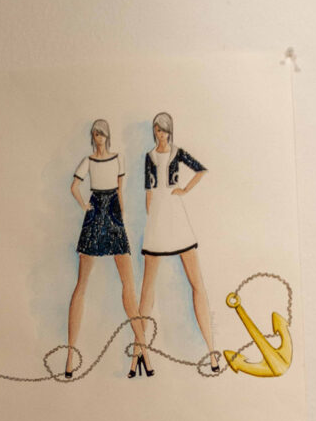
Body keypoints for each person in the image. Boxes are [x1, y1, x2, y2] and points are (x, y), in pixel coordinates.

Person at [67, 119, 151, 378]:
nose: (99, 138)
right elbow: (74, 187)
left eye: (102, 134)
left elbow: (120, 191)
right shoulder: (88, 160)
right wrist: (84, 205)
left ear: (108, 136)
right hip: (95, 216)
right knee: (82, 283)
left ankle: (144, 353)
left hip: (113, 215)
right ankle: (69, 357)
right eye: (96, 134)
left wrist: (121, 216)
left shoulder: (118, 158)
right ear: (92, 137)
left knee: (129, 285)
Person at [139, 112, 219, 374]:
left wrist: (184, 190)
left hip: (176, 216)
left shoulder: (178, 152)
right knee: (147, 288)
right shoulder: (149, 157)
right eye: (156, 130)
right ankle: (138, 353)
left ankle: (212, 351)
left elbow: (201, 169)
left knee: (197, 283)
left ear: (169, 131)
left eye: (163, 130)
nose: (160, 134)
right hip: (157, 219)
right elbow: (148, 193)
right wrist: (152, 220)